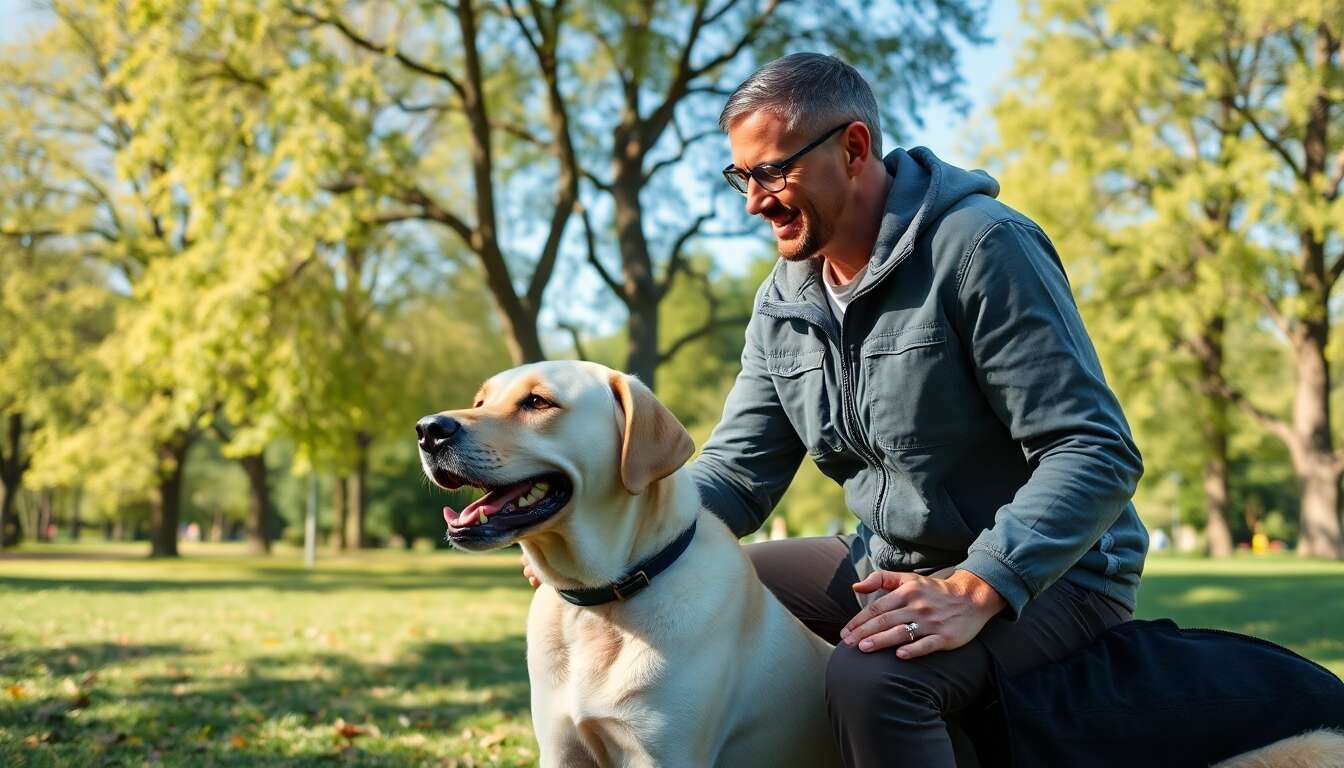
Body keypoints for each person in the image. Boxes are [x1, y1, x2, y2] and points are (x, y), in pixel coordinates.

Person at [522, 52, 1147, 766]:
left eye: (772, 172)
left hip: (1054, 577)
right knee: (700, 583)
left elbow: (1093, 450)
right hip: (882, 560)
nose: (755, 201)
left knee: (873, 678)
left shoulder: (981, 249)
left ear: (853, 148)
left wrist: (978, 586)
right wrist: (614, 538)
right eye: (741, 177)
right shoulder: (784, 298)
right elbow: (737, 473)